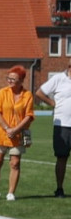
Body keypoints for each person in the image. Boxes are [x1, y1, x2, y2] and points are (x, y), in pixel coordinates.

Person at [0, 65, 34, 201]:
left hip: (18, 135)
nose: (10, 81)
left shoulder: (27, 95)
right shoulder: (2, 93)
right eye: (9, 78)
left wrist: (16, 129)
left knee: (15, 163)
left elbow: (29, 115)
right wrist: (8, 128)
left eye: (13, 79)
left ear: (21, 80)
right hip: (1, 133)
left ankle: (11, 193)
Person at [34, 57, 71, 198]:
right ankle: (59, 188)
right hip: (62, 125)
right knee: (62, 157)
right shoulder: (59, 79)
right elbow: (39, 92)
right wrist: (52, 103)